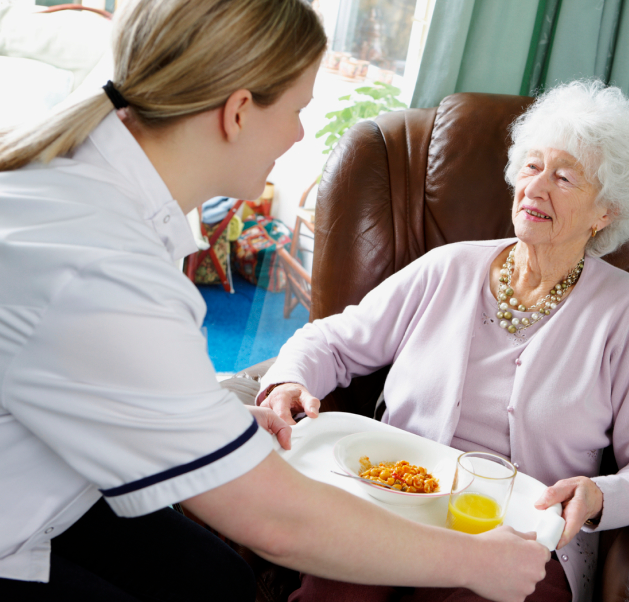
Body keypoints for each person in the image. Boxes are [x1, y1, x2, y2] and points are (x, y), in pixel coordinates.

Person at [0, 1, 551, 601]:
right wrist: (474, 562)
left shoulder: (97, 187)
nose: (298, 133)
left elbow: (99, 366)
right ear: (238, 111)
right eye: (296, 110)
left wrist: (211, 421)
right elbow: (273, 521)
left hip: (46, 484)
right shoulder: (107, 262)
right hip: (21, 517)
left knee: (221, 582)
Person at [257, 79, 629, 602]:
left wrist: (601, 494)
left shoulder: (624, 310)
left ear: (605, 212)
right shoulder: (449, 266)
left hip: (515, 533)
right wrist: (289, 380)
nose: (536, 187)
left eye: (565, 177)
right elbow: (334, 340)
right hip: (393, 497)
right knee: (336, 591)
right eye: (531, 167)